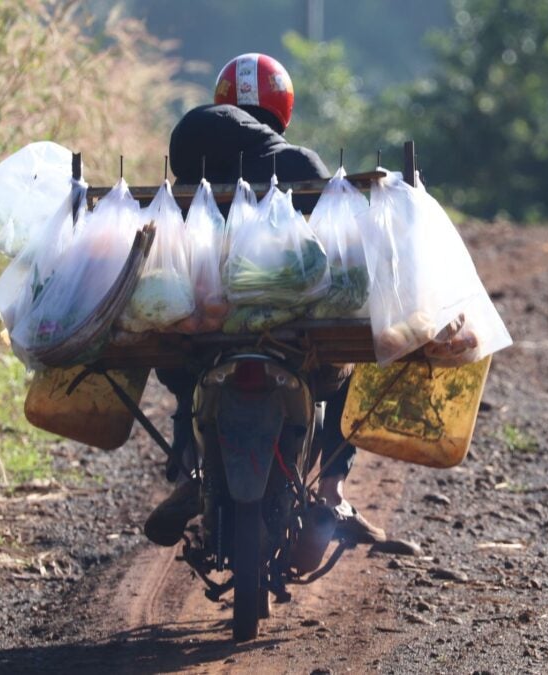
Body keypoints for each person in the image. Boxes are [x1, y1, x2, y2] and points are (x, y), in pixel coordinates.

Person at [143, 53, 385, 547]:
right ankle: (333, 490)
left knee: (181, 367)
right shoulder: (302, 165)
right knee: (348, 354)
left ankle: (190, 469)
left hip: (208, 331)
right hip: (295, 335)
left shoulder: (192, 174)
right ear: (282, 107)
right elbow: (341, 260)